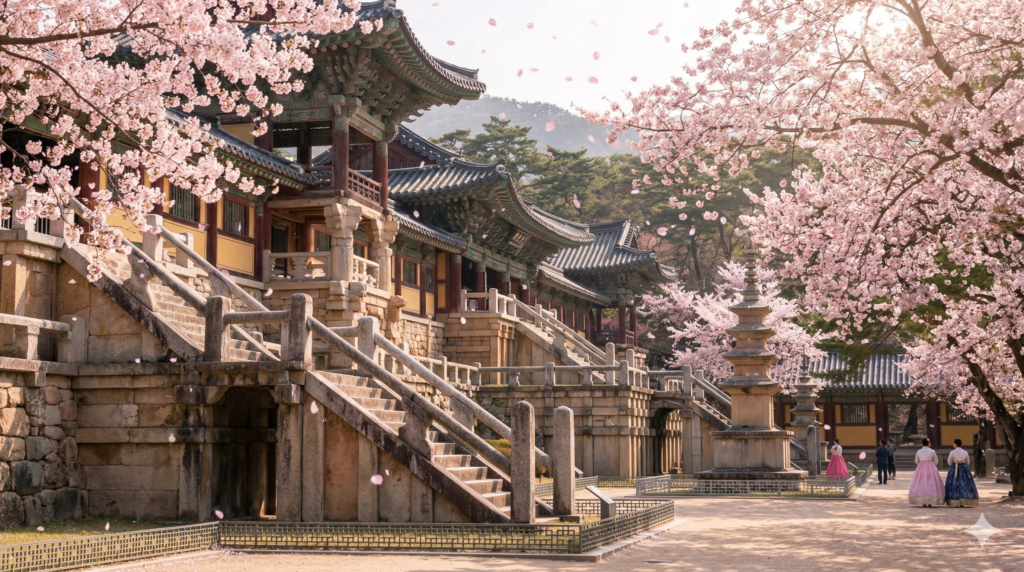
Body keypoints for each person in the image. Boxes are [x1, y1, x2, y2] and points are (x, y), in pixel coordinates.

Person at [908, 438, 944, 507]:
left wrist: (921, 465)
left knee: (921, 483)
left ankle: (922, 501)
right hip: (931, 467)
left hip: (921, 467)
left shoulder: (919, 451)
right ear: (928, 444)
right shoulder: (932, 451)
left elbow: (916, 461)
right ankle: (930, 501)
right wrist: (932, 465)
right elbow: (936, 461)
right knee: (932, 483)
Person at [945, 439, 979, 507]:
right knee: (964, 483)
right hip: (964, 468)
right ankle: (964, 500)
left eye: (954, 443)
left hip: (954, 468)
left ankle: (954, 501)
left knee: (954, 483)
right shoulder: (965, 452)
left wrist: (954, 465)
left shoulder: (952, 452)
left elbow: (949, 462)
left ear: (955, 444)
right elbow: (968, 462)